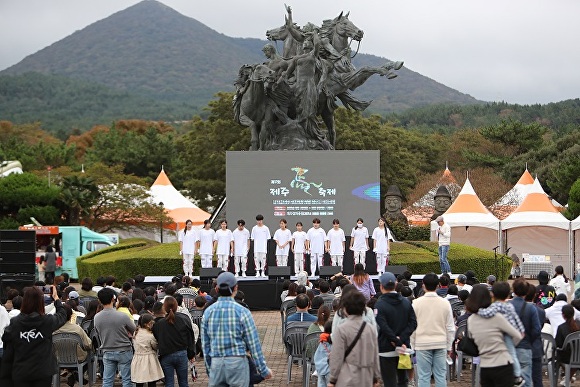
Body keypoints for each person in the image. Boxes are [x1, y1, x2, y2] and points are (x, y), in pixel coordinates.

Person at [201, 272, 272, 386]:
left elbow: (206, 346)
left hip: (217, 362)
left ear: (217, 289)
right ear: (236, 288)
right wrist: (263, 370)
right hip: (237, 362)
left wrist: (210, 368)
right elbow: (254, 344)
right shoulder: (242, 311)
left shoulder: (208, 311)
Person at [1, 285, 67, 387]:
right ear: (41, 302)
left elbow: (6, 339)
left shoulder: (15, 323)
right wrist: (56, 298)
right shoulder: (46, 321)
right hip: (42, 372)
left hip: (21, 371)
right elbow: (62, 315)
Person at [465, 284, 523, 387]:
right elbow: (517, 335)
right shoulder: (497, 317)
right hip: (503, 363)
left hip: (485, 366)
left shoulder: (470, 320)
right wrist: (507, 346)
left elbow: (471, 339)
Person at [327, 290, 381, 387]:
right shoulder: (370, 329)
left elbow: (337, 356)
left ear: (345, 308)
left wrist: (332, 379)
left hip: (346, 376)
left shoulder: (342, 329)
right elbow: (374, 355)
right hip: (366, 376)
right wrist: (376, 376)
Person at [411, 272, 455, 387]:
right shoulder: (445, 303)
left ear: (423, 285)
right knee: (440, 375)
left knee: (424, 376)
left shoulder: (416, 303)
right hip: (440, 343)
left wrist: (412, 345)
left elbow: (412, 327)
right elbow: (450, 327)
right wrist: (449, 345)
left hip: (422, 343)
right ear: (438, 285)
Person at [375, 271, 417, 387]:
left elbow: (383, 326)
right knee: (403, 380)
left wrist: (395, 340)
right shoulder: (406, 302)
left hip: (386, 349)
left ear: (381, 286)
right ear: (395, 284)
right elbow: (413, 323)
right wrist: (401, 339)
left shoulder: (380, 305)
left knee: (389, 382)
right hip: (404, 348)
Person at [94, 287, 136, 387]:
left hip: (107, 350)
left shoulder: (97, 317)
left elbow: (97, 331)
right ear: (113, 299)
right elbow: (134, 329)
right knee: (127, 380)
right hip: (124, 350)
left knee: (107, 380)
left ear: (99, 300)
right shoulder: (122, 316)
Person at [151, 296, 195, 387]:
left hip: (166, 355)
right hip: (182, 353)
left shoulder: (158, 324)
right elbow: (190, 337)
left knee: (169, 382)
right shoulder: (184, 318)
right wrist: (191, 354)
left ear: (164, 307)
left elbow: (156, 338)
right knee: (183, 382)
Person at [510, 278, 542, 387]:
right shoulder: (531, 308)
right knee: (526, 380)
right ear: (527, 292)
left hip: (508, 348)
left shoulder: (507, 306)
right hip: (525, 348)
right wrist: (528, 339)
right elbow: (537, 330)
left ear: (513, 289)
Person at [53, 303, 93, 387]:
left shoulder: (53, 329)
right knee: (91, 355)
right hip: (78, 359)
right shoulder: (77, 329)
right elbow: (88, 345)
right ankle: (76, 373)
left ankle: (72, 373)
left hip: (58, 358)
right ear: (71, 315)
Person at [131, 314, 164, 387]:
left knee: (139, 381)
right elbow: (155, 346)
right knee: (151, 379)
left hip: (137, 358)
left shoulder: (136, 333)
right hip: (149, 359)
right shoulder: (150, 335)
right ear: (147, 324)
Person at [555, 305, 579, 386]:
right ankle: (568, 377)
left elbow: (557, 344)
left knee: (559, 354)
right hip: (579, 356)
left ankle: (567, 378)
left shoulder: (561, 327)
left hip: (566, 358)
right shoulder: (578, 325)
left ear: (563, 315)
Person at [314, 321, 333, 387]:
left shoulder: (322, 342)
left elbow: (316, 356)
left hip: (320, 368)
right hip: (330, 370)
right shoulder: (335, 342)